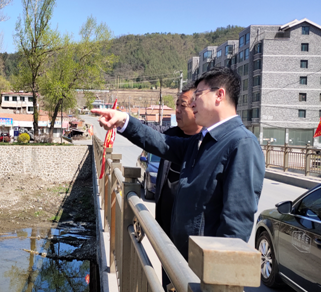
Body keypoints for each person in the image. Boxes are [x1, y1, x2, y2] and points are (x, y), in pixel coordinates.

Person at [92, 67, 265, 261]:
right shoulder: (203, 140)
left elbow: (236, 224)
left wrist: (216, 273)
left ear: (219, 95)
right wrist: (124, 121)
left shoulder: (241, 144)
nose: (193, 104)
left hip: (201, 268)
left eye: (198, 95)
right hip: (179, 257)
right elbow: (162, 143)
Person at [154, 83, 202, 288]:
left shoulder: (206, 144)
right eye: (177, 105)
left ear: (196, 107)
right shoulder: (171, 135)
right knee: (168, 278)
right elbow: (149, 135)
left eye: (183, 105)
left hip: (190, 238)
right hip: (165, 231)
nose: (178, 110)